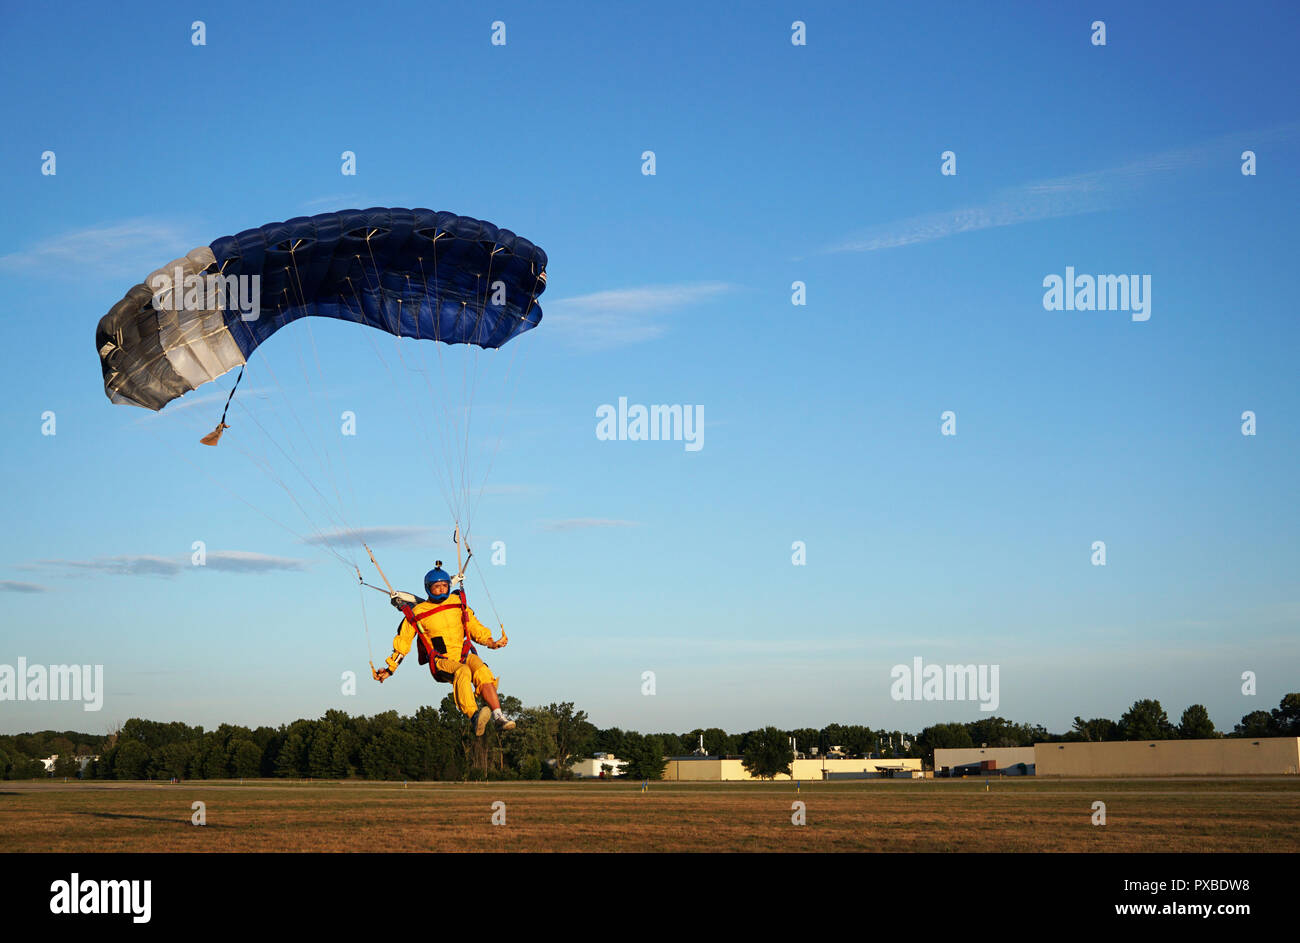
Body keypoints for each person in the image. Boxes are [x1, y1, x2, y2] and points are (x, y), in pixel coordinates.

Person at [373, 563, 514, 736]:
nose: (441, 590)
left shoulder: (457, 603)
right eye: (437, 586)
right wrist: (389, 669)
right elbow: (403, 643)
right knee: (462, 671)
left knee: (480, 668)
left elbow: (474, 627)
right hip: (441, 662)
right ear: (429, 588)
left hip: (462, 654)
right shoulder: (418, 612)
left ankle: (499, 717)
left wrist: (491, 642)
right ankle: (474, 716)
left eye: (444, 586)